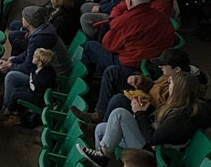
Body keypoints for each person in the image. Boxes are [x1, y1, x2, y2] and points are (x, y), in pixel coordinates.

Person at [77, 70, 210, 166]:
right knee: (100, 129)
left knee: (119, 114)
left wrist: (139, 113)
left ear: (178, 89)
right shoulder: (179, 105)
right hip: (153, 143)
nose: (168, 86)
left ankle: (103, 156)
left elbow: (153, 139)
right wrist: (147, 110)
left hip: (155, 153)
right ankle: (100, 158)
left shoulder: (181, 116)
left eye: (170, 84)